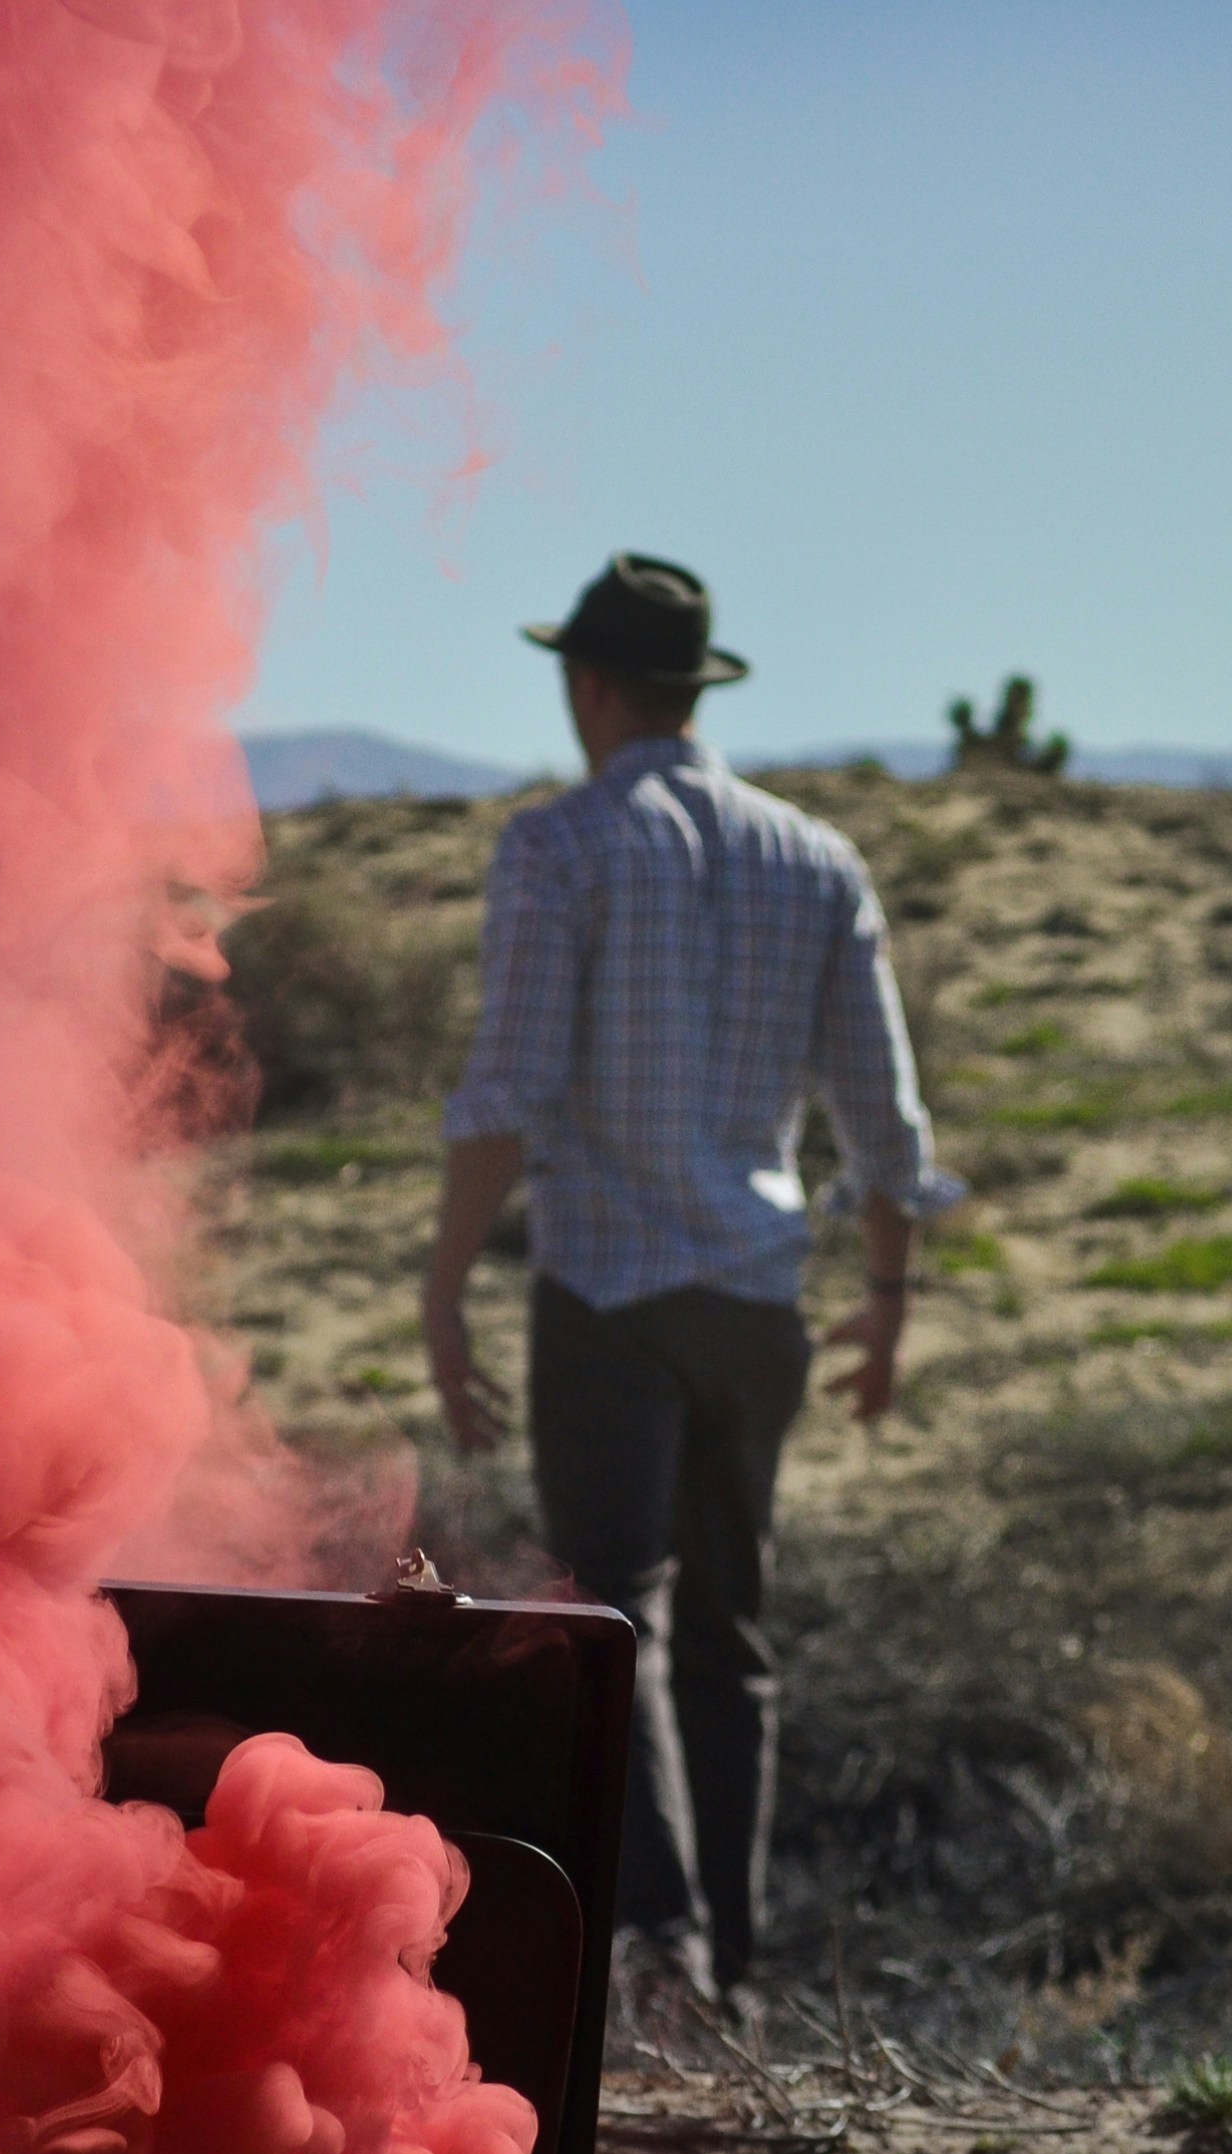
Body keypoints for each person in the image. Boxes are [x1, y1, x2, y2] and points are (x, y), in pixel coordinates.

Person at [420, 552, 959, 2012]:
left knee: (616, 1618)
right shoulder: (816, 858)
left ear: (590, 685)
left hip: (606, 1295)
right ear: (691, 684)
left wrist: (446, 1279)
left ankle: (662, 1957)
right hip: (759, 1303)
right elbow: (882, 1110)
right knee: (731, 1634)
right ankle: (739, 1959)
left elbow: (509, 1090)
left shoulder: (561, 847)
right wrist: (891, 1295)